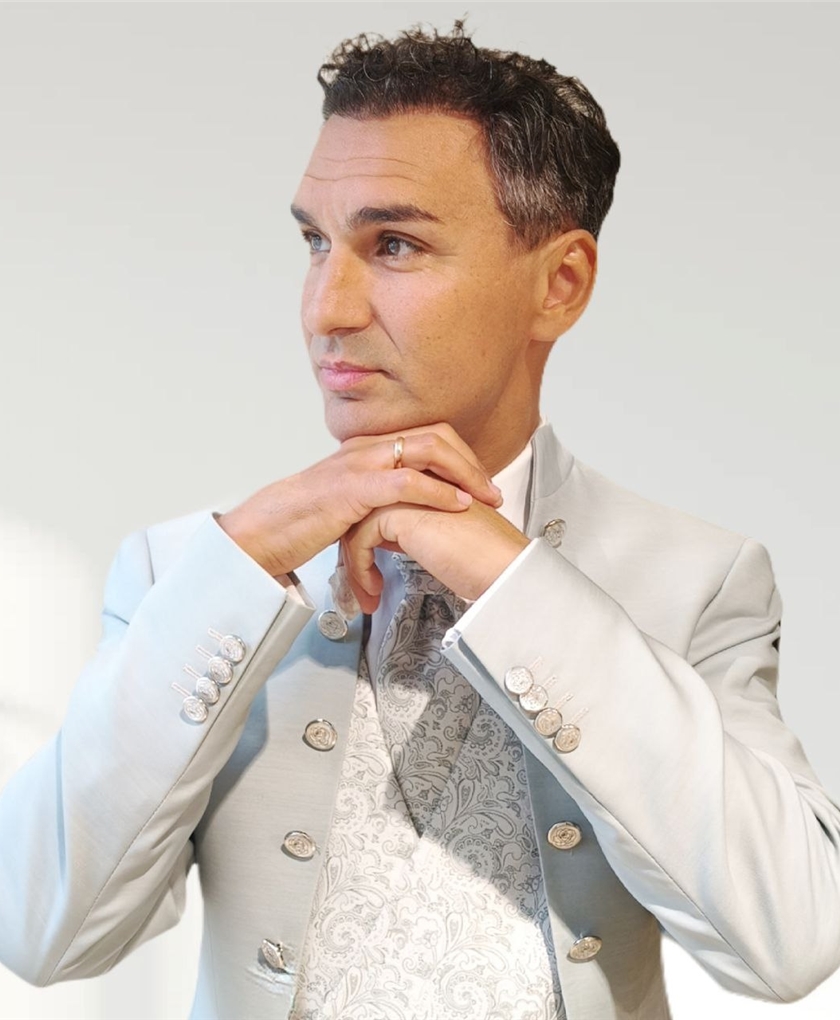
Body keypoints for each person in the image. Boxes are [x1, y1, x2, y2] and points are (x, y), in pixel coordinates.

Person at [1, 21, 838, 1020]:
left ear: (560, 284)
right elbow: (38, 930)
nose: (327, 309)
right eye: (316, 242)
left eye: (393, 245)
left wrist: (512, 586)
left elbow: (793, 943)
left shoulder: (697, 577)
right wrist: (242, 563)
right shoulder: (187, 572)